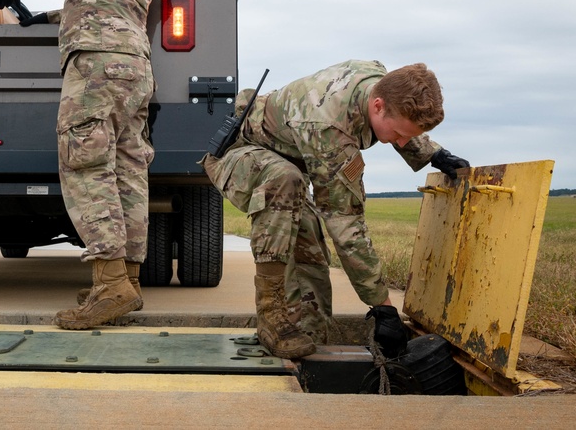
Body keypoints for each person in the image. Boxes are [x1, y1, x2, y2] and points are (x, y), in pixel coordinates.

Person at [0, 0, 166, 329]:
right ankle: (127, 280)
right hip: (138, 69)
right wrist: (46, 18)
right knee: (129, 171)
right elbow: (116, 5)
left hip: (95, 66)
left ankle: (108, 288)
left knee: (87, 166)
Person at [200, 60, 469, 359]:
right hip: (240, 153)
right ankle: (272, 318)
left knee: (309, 243)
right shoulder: (328, 129)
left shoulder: (380, 80)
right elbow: (346, 224)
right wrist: (382, 305)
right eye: (398, 135)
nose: (402, 142)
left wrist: (433, 153)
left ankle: (310, 333)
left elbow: (399, 115)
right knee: (285, 182)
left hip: (287, 156)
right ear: (377, 106)